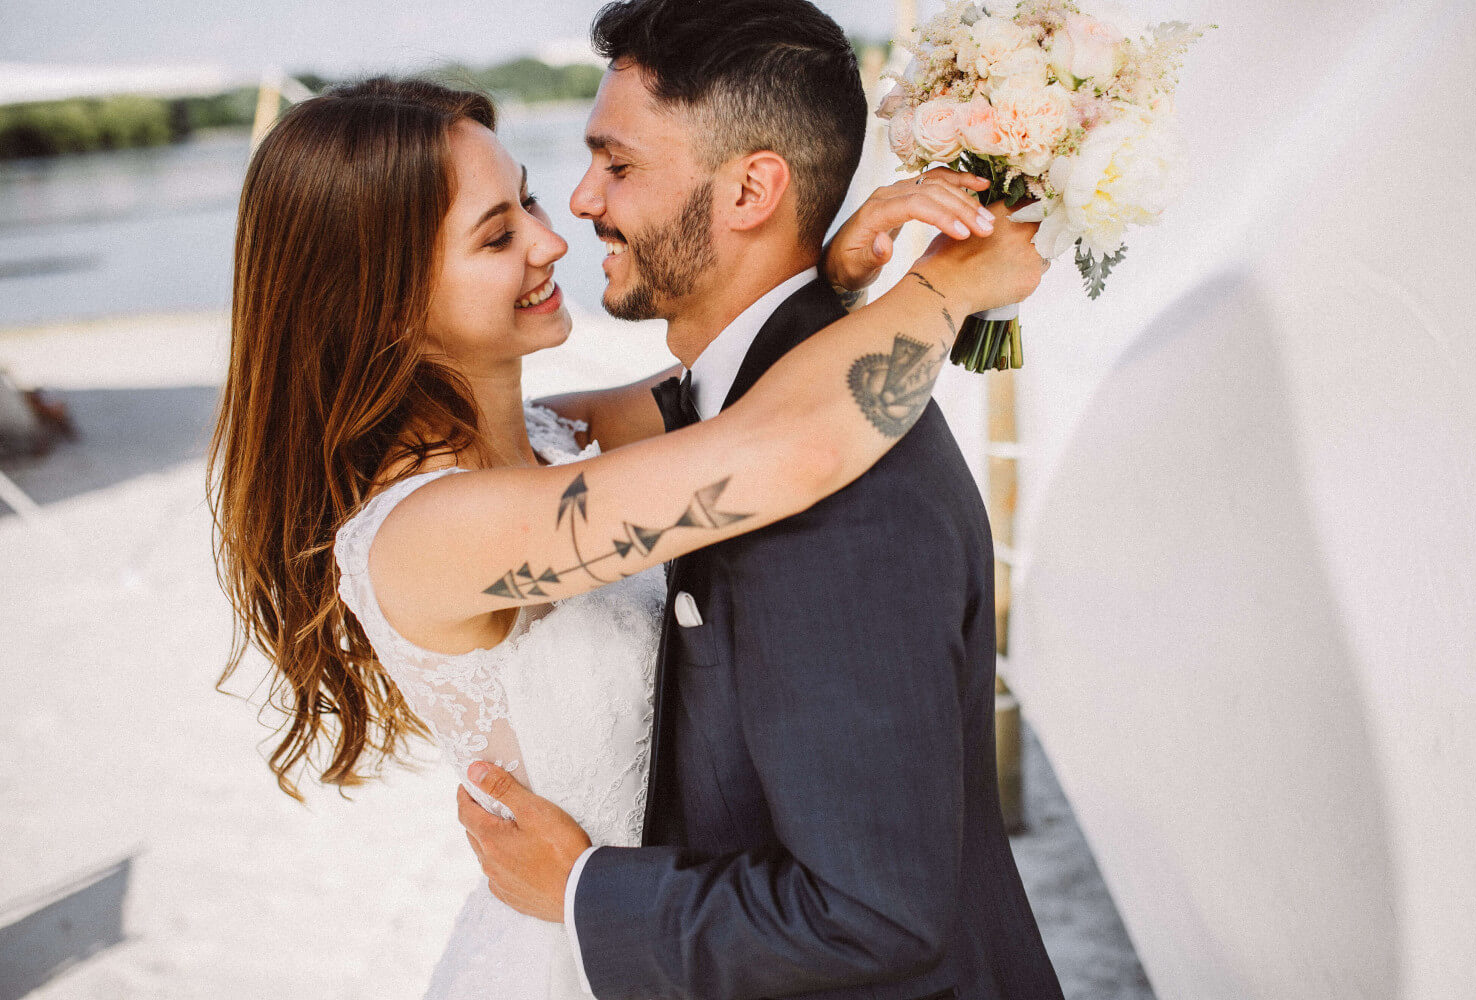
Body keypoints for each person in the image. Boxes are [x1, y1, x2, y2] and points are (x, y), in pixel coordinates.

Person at [208, 65, 1045, 1000]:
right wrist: (946, 285)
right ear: (384, 300)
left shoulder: (563, 437)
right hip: (576, 951)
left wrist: (830, 278)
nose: (552, 239)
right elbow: (783, 447)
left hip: (682, 928)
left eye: (524, 198)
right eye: (498, 236)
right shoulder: (431, 530)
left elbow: (742, 383)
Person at [455, 1, 1067, 999]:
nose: (578, 201)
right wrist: (840, 287)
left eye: (617, 163)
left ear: (751, 188)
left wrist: (581, 890)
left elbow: (872, 914)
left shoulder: (835, 505)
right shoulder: (753, 404)